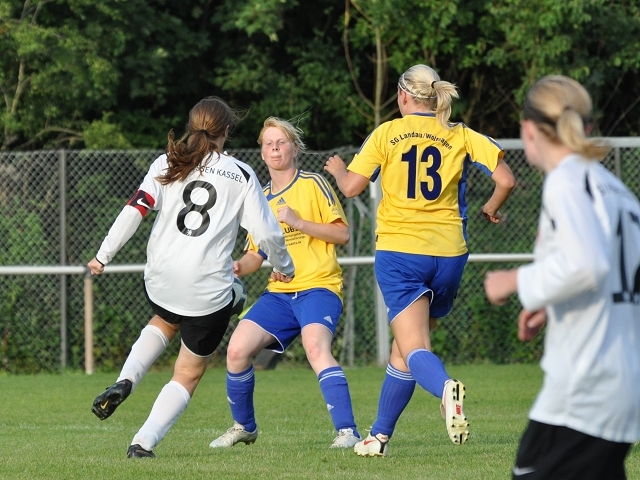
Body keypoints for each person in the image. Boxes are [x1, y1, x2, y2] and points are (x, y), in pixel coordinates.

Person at [324, 64, 515, 456]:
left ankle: (445, 389)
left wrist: (340, 169)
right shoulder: (459, 133)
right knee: (404, 348)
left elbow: (352, 187)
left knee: (414, 347)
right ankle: (378, 437)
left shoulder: (389, 132)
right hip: (449, 254)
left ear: (403, 96)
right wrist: (491, 208)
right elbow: (507, 179)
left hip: (401, 252)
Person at [87, 97, 295, 458]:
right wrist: (285, 266)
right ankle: (143, 442)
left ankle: (126, 378)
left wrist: (103, 255)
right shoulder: (241, 174)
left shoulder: (168, 161)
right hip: (206, 291)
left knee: (166, 319)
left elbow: (133, 212)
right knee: (188, 371)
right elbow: (268, 233)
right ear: (226, 131)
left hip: (160, 279)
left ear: (192, 124)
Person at [484, 75, 640, 480]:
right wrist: (552, 306)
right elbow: (611, 275)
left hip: (584, 384)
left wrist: (515, 280)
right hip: (621, 379)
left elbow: (587, 265)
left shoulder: (566, 181)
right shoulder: (615, 190)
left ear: (529, 129)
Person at [209, 116, 361, 450]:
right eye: (268, 144)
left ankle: (348, 432)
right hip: (279, 295)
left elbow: (343, 234)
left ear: (294, 148)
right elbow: (256, 255)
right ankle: (244, 427)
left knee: (316, 348)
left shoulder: (314, 184)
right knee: (236, 350)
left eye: (281, 142)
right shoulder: (259, 197)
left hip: (319, 287)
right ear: (262, 153)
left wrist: (298, 221)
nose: (275, 148)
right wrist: (237, 265)